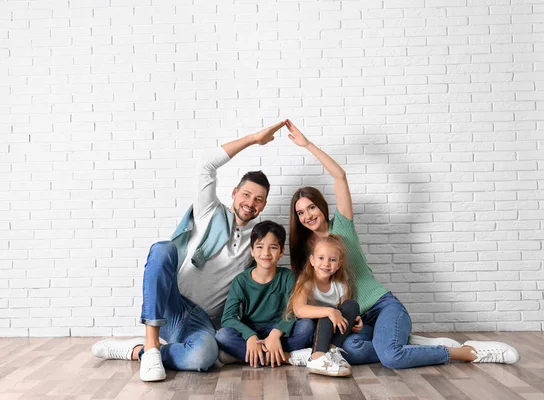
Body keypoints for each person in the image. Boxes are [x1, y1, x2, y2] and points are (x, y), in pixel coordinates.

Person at [285, 119, 521, 369]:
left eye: (311, 207)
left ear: (321, 206)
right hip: (356, 320)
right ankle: (411, 343)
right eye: (301, 213)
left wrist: (307, 144)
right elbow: (314, 299)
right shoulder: (307, 251)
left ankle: (467, 353)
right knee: (348, 351)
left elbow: (339, 176)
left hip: (382, 306)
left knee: (391, 358)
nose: (308, 215)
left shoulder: (342, 226)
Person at [92, 121, 287, 382]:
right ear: (234, 193)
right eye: (247, 194)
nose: (250, 203)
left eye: (259, 199)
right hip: (173, 302)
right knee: (162, 250)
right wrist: (254, 138)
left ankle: (137, 350)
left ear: (263, 206)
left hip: (202, 321)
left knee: (204, 357)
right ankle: (151, 345)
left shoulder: (258, 244)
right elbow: (206, 163)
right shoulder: (210, 212)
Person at [215, 220, 314, 368]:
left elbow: (293, 311)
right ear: (252, 251)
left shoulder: (288, 277)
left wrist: (275, 334)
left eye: (273, 247)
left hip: (279, 332)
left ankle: (247, 356)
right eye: (260, 247)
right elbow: (228, 318)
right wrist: (250, 335)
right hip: (251, 330)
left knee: (306, 326)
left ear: (281, 252)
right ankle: (284, 357)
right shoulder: (241, 281)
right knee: (222, 335)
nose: (266, 253)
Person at [286, 234, 362, 377]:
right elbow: (298, 309)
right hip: (311, 330)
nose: (326, 264)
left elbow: (344, 312)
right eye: (321, 258)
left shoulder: (340, 286)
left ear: (339, 264)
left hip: (331, 333)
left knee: (351, 305)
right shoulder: (306, 282)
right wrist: (329, 311)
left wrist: (355, 320)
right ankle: (317, 356)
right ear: (312, 260)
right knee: (330, 311)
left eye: (332, 260)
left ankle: (332, 351)